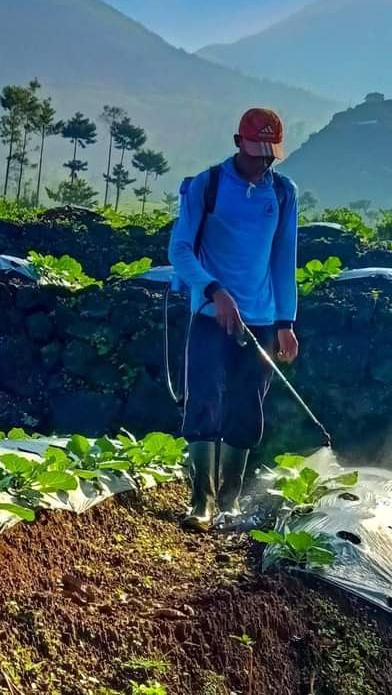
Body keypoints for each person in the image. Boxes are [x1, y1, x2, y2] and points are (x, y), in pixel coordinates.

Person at [168, 107, 299, 531]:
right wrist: (213, 291)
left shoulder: (282, 193)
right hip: (209, 314)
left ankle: (230, 500)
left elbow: (284, 258)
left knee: (247, 406)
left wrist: (286, 322)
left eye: (270, 153)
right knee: (203, 398)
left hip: (259, 318)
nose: (263, 160)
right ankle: (200, 501)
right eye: (257, 150)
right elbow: (180, 250)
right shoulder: (207, 186)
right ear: (237, 141)